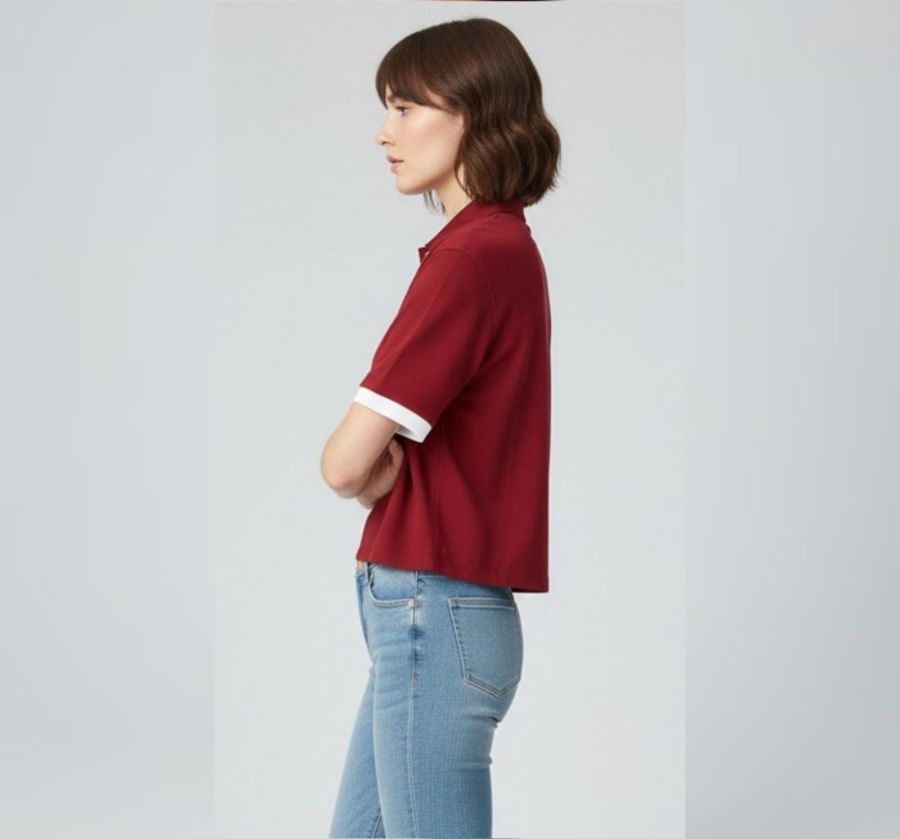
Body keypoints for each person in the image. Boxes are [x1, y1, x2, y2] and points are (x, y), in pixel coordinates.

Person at [320, 17, 560, 838]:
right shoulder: (500, 249)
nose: (384, 132)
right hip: (444, 616)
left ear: (474, 113)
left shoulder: (469, 258)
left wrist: (372, 468)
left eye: (406, 107)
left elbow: (345, 464)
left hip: (434, 609)